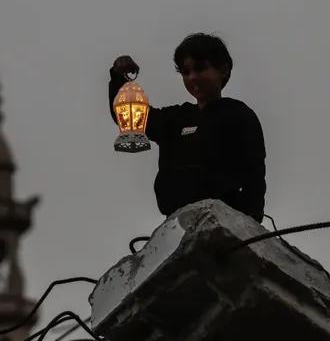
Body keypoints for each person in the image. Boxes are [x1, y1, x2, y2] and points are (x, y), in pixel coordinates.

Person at [108, 33, 266, 222]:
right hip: (176, 223)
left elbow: (255, 174)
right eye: (186, 72)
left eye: (200, 69)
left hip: (224, 223)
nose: (192, 77)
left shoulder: (239, 115)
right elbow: (129, 116)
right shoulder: (175, 119)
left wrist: (251, 224)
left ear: (223, 70)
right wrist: (119, 78)